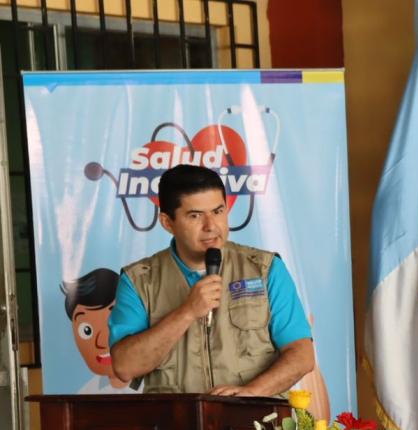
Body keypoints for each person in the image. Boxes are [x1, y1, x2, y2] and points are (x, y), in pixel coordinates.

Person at [109, 164, 314, 395]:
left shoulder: (265, 269)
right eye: (195, 215)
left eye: (218, 211)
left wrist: (250, 394)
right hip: (174, 425)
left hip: (255, 424)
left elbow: (302, 355)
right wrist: (187, 312)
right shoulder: (138, 280)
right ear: (167, 222)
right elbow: (125, 367)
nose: (211, 226)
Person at [60, 267, 135, 394]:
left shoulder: (158, 386)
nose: (100, 342)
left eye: (112, 323)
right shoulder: (84, 395)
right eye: (86, 331)